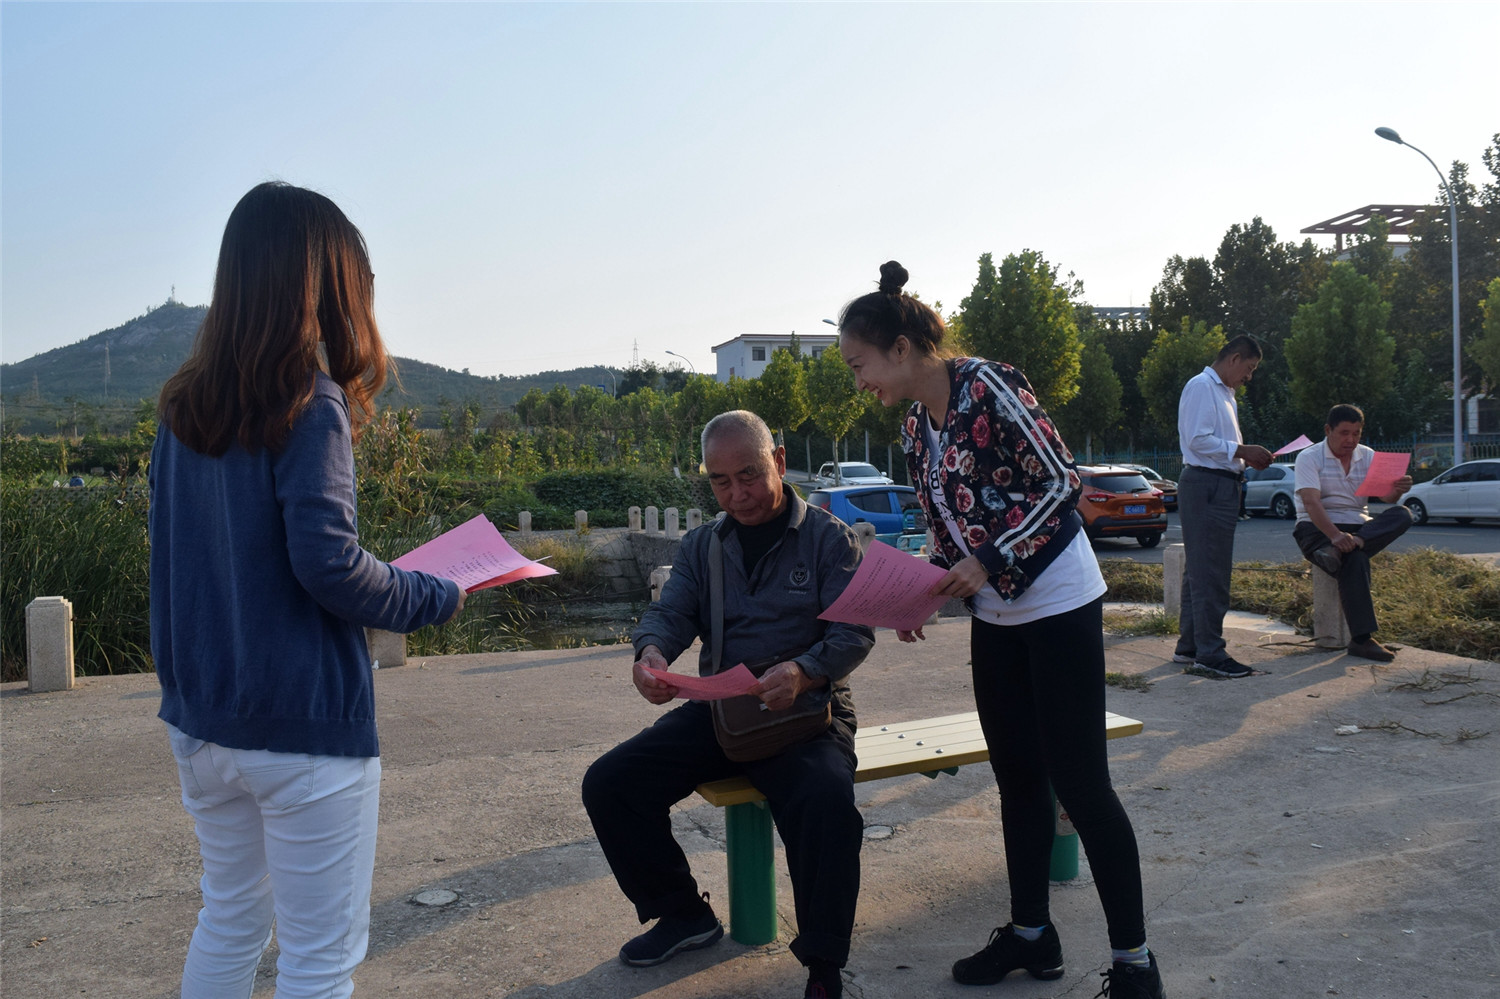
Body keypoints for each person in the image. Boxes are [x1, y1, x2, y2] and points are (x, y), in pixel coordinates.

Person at [149, 182, 465, 999]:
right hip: (302, 728)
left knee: (228, 919)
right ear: (320, 285)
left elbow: (177, 562)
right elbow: (329, 565)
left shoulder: (182, 410)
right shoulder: (310, 403)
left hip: (205, 722)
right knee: (319, 960)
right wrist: (434, 593)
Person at [836, 261, 1167, 999]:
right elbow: (946, 521)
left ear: (898, 346)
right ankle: (1031, 934)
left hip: (1057, 601)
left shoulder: (990, 384)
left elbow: (1061, 482)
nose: (860, 381)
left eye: (860, 364)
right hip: (996, 614)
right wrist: (922, 587)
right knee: (1018, 776)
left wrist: (986, 558)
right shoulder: (916, 425)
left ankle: (1136, 964)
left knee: (1081, 785)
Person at [581, 411, 873, 999]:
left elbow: (853, 633)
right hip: (725, 712)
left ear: (780, 462)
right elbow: (671, 614)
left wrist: (803, 670)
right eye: (720, 481)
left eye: (749, 475)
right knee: (612, 782)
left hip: (807, 714)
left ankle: (823, 964)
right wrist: (652, 654)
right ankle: (683, 914)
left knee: (826, 806)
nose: (737, 495)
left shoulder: (827, 538)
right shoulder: (701, 545)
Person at [1172, 334, 1274, 678]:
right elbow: (1197, 440)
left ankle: (1191, 647)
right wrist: (1244, 451)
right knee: (1210, 574)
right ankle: (1211, 654)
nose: (1249, 377)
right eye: (1249, 368)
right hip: (1207, 486)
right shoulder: (1202, 386)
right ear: (1234, 359)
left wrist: (1243, 458)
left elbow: (1214, 444)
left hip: (1220, 485)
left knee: (1199, 572)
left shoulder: (1224, 393)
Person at [1292, 404, 1414, 662]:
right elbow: (1312, 503)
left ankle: (1349, 547)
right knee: (1355, 559)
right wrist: (1335, 536)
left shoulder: (1368, 455)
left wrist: (1399, 488)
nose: (1351, 440)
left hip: (1358, 527)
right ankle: (1361, 640)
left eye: (1356, 433)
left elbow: (1387, 497)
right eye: (1345, 433)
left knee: (1403, 513)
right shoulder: (1309, 457)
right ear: (1328, 430)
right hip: (1316, 529)